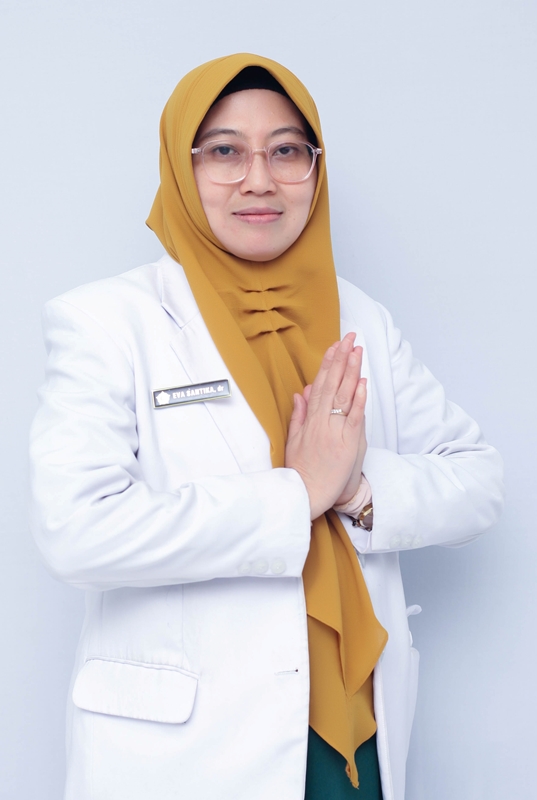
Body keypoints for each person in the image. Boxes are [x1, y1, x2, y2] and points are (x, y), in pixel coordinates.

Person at [29, 53, 504, 800]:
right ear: (182, 167)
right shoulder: (108, 321)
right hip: (188, 752)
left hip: (359, 730)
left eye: (286, 151)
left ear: (315, 169)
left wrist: (354, 490)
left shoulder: (361, 317)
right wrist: (296, 495)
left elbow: (476, 480)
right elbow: (77, 529)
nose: (259, 179)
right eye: (224, 151)